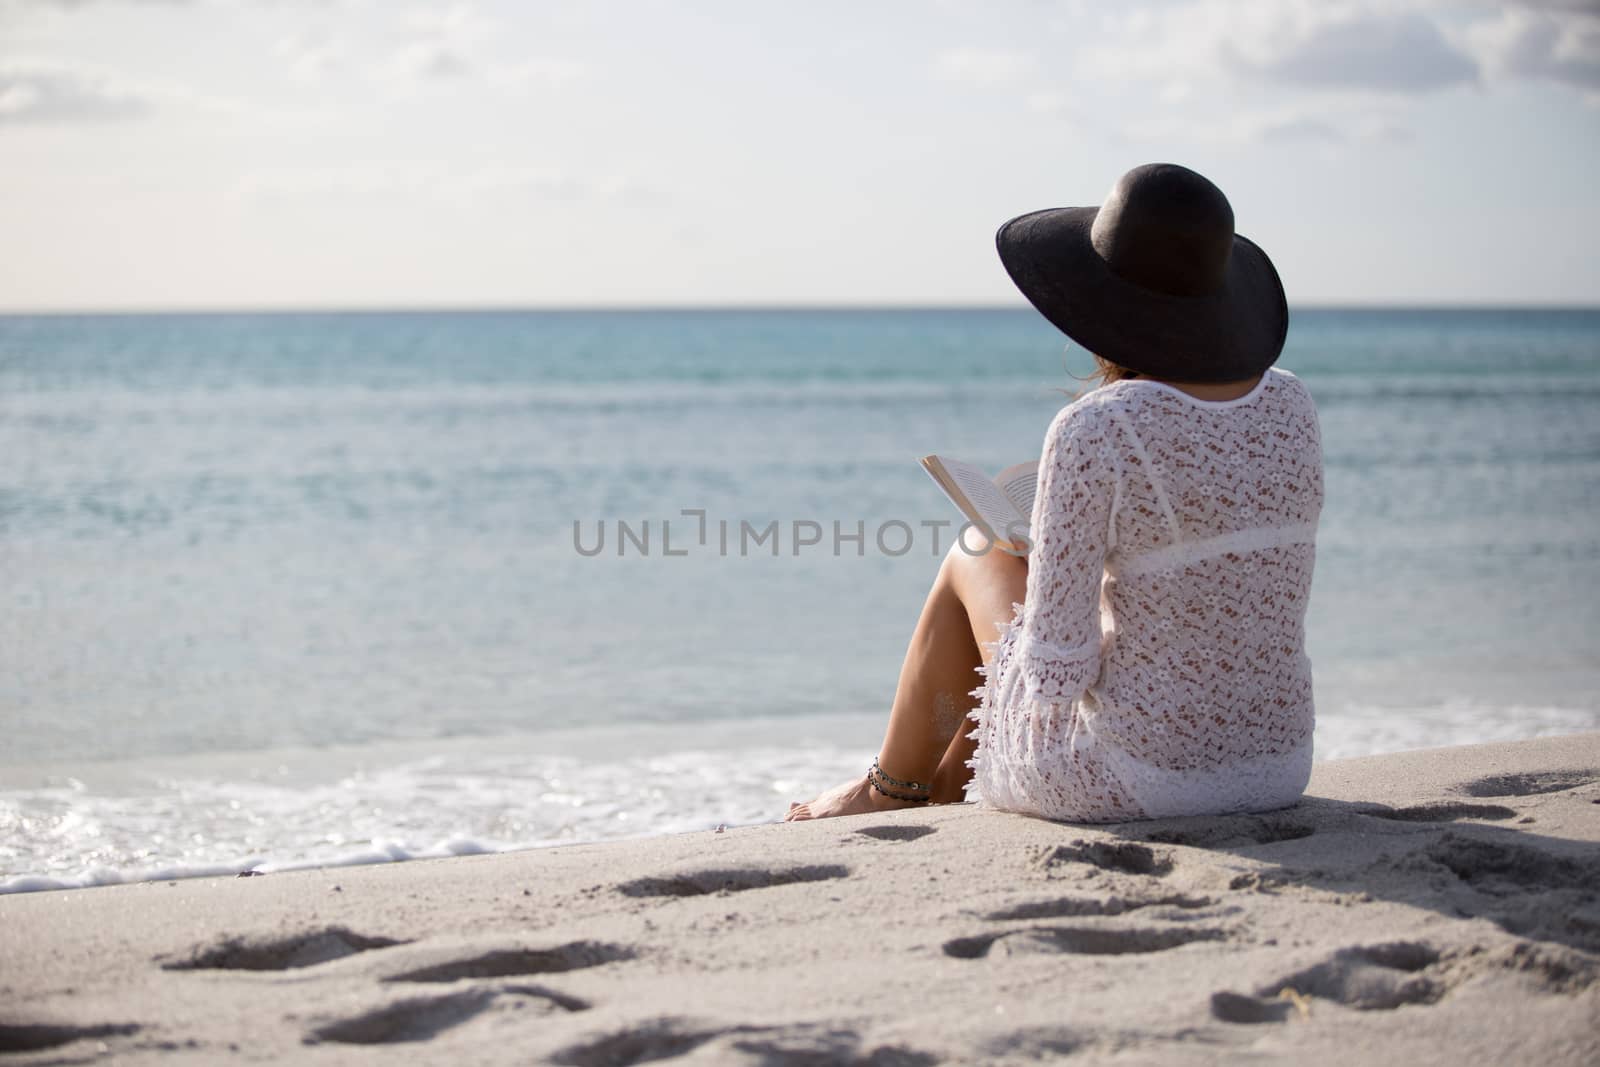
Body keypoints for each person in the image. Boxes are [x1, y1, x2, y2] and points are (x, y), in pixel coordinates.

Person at [787, 163, 1323, 823]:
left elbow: (1057, 675)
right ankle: (931, 784)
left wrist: (1063, 570)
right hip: (1276, 763)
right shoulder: (1293, 403)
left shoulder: (1098, 426)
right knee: (1011, 592)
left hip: (1141, 778)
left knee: (975, 553)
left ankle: (890, 788)